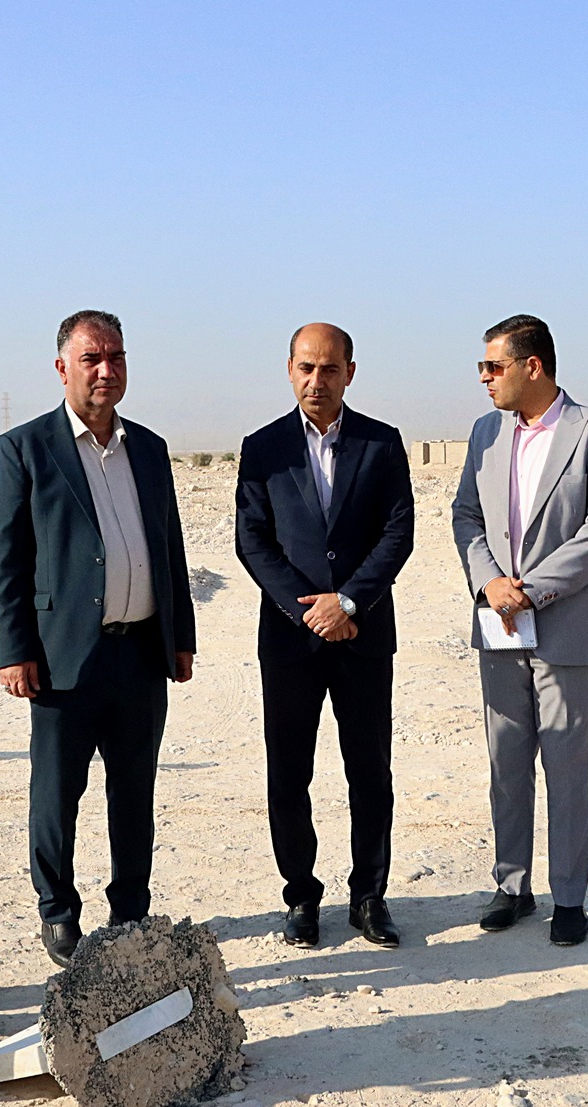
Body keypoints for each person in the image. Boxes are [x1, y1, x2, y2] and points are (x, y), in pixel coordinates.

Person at [0, 310, 196, 967]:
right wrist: (13, 650)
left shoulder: (149, 449)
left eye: (116, 357)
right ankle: (58, 912)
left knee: (134, 792)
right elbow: (6, 560)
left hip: (140, 654)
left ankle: (131, 910)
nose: (106, 370)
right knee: (57, 793)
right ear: (62, 369)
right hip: (62, 658)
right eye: (91, 359)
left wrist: (180, 635)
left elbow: (169, 548)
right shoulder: (24, 448)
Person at [451, 315, 588, 946]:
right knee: (506, 763)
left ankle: (570, 898)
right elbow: (466, 515)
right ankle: (512, 887)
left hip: (568, 624)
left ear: (533, 366)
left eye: (493, 366)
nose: (484, 378)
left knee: (567, 768)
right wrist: (489, 583)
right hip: (499, 624)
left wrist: (531, 590)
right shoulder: (485, 433)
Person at [235, 323, 415, 949]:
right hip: (292, 642)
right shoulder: (263, 448)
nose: (318, 380)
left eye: (330, 369)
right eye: (307, 368)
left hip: (363, 634)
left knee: (370, 773)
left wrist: (349, 601)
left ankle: (369, 897)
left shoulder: (382, 443)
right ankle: (301, 896)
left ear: (350, 373)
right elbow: (252, 539)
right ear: (289, 370)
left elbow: (398, 533)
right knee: (289, 775)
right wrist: (308, 609)